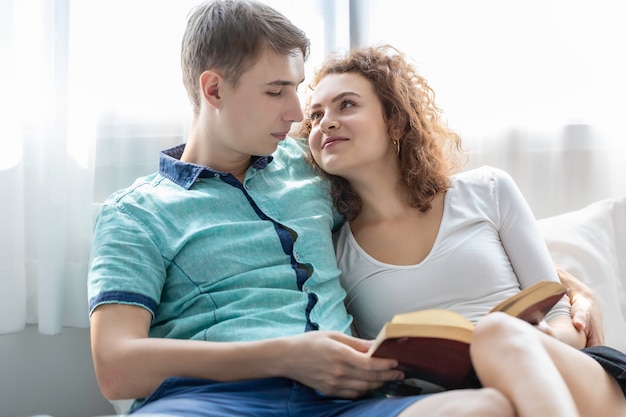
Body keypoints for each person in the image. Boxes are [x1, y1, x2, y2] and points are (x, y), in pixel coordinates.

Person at [87, 1, 602, 416]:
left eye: (298, 93)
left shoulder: (310, 169)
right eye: (277, 92)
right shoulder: (135, 214)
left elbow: (418, 218)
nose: (298, 117)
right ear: (214, 88)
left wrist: (568, 285)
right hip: (209, 401)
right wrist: (288, 356)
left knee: (487, 407)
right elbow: (115, 365)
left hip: (345, 403)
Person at [300, 44, 626, 417]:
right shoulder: (335, 254)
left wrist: (532, 342)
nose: (325, 122)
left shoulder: (487, 190)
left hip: (569, 375)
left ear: (396, 121)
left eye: (346, 105)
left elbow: (561, 317)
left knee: (495, 333)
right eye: (315, 115)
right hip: (466, 404)